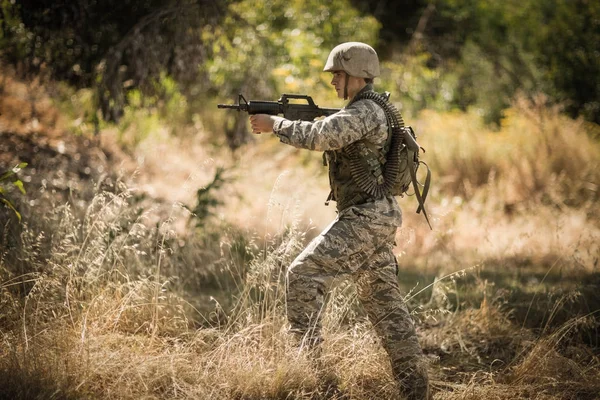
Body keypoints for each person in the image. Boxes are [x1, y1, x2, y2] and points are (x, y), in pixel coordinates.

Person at [249, 42, 430, 400]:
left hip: (367, 216)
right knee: (384, 304)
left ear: (357, 75)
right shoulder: (371, 110)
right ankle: (416, 389)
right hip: (375, 215)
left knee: (302, 274)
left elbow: (321, 136)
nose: (333, 81)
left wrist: (276, 124)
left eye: (338, 75)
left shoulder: (365, 111)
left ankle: (313, 378)